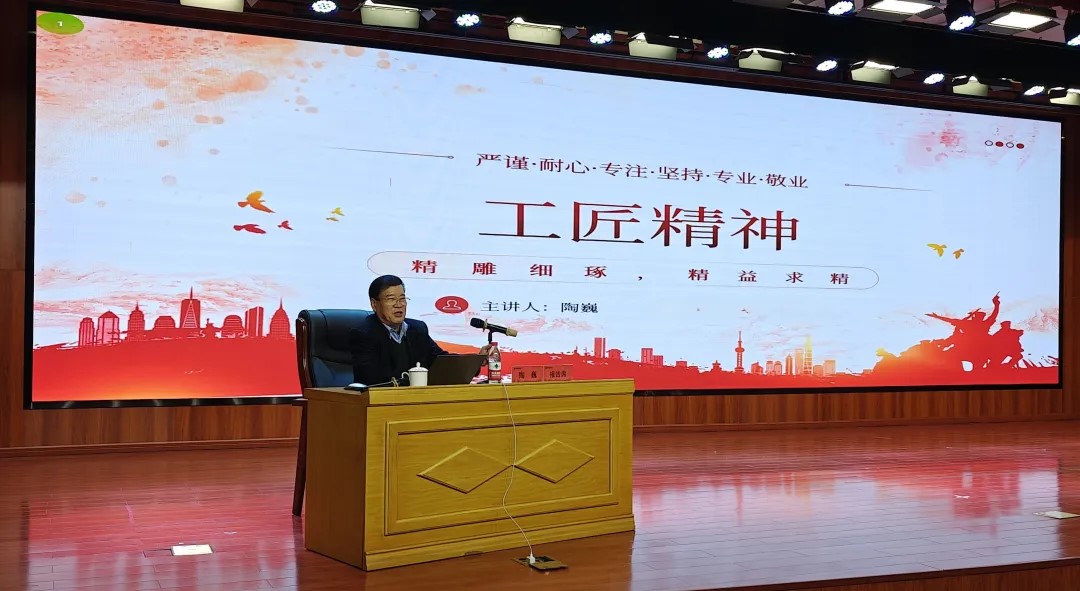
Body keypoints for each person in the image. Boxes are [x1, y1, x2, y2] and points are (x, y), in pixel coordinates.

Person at [349, 275, 487, 386]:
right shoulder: (364, 334)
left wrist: (476, 361)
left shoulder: (417, 329)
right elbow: (370, 381)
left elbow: (442, 362)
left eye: (402, 299)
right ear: (374, 304)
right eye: (391, 299)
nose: (399, 305)